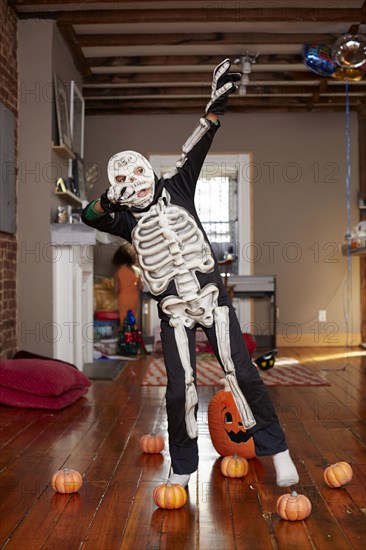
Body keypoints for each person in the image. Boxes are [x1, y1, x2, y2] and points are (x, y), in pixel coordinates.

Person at [82, 59, 299, 489]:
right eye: (124, 180)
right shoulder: (123, 220)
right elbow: (88, 216)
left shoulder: (177, 186)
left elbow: (198, 143)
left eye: (137, 174)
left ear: (149, 171)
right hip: (174, 313)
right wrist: (110, 197)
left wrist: (218, 101)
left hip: (212, 301)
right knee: (179, 389)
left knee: (242, 371)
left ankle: (278, 451)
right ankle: (182, 468)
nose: (135, 183)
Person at [112, 242, 141, 326]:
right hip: (134, 297)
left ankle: (125, 336)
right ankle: (134, 335)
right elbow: (140, 286)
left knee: (124, 318)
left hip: (123, 297)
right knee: (133, 317)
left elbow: (116, 289)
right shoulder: (137, 270)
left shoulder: (118, 271)